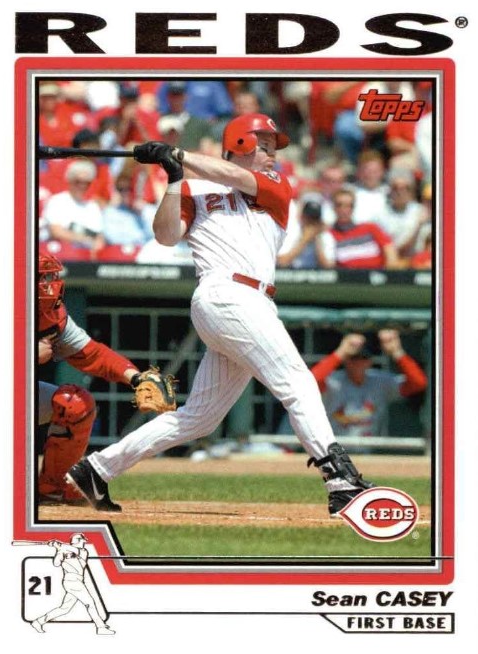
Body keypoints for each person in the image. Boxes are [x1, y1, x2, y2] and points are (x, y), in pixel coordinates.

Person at [66, 113, 374, 517]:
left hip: (249, 301)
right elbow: (166, 235)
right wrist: (173, 178)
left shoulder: (275, 184)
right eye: (265, 145)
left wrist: (178, 154)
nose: (272, 154)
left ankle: (97, 468)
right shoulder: (192, 188)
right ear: (242, 143)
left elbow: (232, 175)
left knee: (200, 418)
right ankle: (340, 481)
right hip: (226, 294)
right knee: (297, 381)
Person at [38, 252, 141, 504]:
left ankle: (51, 487)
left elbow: (93, 354)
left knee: (75, 404)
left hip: (12, 394)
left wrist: (136, 378)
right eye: (39, 279)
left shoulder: (51, 316)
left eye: (47, 278)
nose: (48, 286)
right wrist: (23, 353)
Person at [310, 330, 428, 439]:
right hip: (334, 448)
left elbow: (418, 383)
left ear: (369, 361)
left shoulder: (380, 381)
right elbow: (310, 382)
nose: (358, 362)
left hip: (369, 450)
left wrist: (397, 352)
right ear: (345, 360)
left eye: (363, 358)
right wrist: (340, 352)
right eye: (353, 358)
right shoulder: (333, 381)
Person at [31, 533, 115, 635]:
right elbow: (56, 563)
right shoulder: (64, 550)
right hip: (71, 580)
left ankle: (38, 622)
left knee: (64, 608)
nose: (84, 542)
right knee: (90, 603)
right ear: (78, 540)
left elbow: (75, 550)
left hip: (76, 581)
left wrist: (59, 545)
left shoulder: (83, 551)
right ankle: (100, 627)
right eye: (83, 540)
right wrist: (59, 550)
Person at [41, 160, 105, 260]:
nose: (82, 186)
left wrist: (96, 245)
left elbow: (99, 237)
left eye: (86, 182)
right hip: (58, 256)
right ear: (70, 180)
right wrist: (85, 239)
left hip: (84, 258)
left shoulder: (93, 207)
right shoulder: (57, 201)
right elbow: (56, 231)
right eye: (78, 181)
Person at [321, 188, 401, 269]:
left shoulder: (370, 228)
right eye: (339, 205)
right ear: (333, 207)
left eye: (349, 206)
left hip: (376, 273)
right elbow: (328, 266)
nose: (344, 210)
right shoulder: (328, 235)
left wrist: (388, 272)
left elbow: (390, 252)